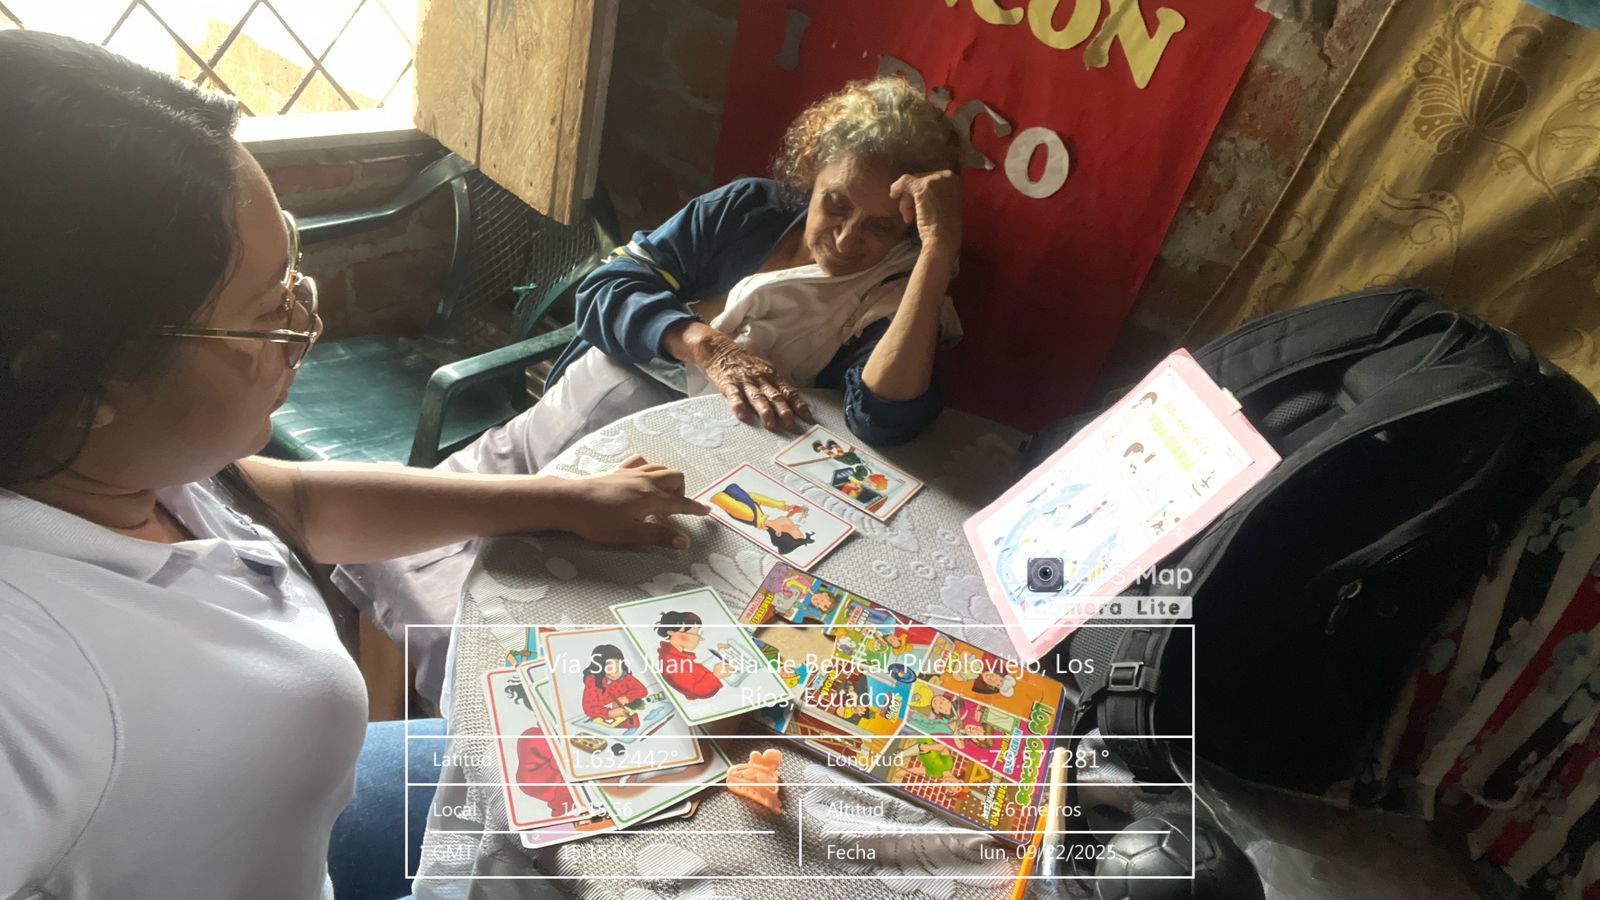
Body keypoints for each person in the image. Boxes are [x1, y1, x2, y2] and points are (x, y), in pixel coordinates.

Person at [0, 32, 705, 900]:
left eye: (292, 274)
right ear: (79, 373)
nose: (306, 323)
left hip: (300, 816)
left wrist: (562, 497)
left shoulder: (116, 462)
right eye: (264, 312)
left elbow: (292, 504)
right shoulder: (30, 676)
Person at [332, 75, 965, 691]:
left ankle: (443, 736)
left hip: (658, 484)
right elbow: (605, 290)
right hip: (557, 424)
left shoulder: (892, 290)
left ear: (908, 228)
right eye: (836, 203)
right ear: (812, 173)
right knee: (389, 546)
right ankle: (377, 732)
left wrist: (936, 252)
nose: (849, 238)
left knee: (499, 649)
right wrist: (706, 344)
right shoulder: (750, 210)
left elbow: (882, 418)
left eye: (881, 226)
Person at [580, 644, 649, 728]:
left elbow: (642, 690)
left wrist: (625, 698)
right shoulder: (593, 681)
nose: (615, 667)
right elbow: (589, 709)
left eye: (616, 662)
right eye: (609, 663)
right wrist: (609, 713)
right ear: (600, 666)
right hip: (603, 720)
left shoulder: (624, 676)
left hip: (626, 714)